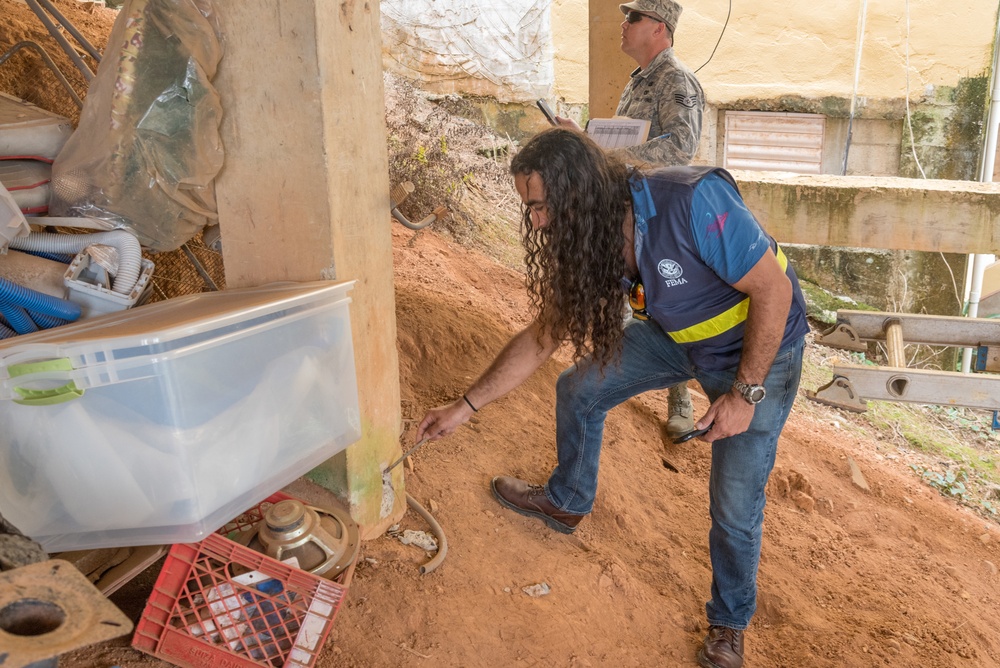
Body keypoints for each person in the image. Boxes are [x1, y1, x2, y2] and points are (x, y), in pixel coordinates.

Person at [416, 128, 808, 668]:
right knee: (579, 388)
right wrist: (465, 407)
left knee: (734, 503)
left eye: (538, 207)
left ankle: (729, 622)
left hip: (760, 353)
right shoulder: (592, 237)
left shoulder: (691, 201)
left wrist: (743, 396)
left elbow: (774, 290)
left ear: (576, 191)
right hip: (678, 336)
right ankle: (568, 500)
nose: (535, 222)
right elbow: (542, 336)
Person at [555, 0, 705, 439]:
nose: (623, 24)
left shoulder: (677, 80)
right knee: (624, 294)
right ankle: (604, 378)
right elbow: (629, 143)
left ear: (659, 28)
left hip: (661, 217)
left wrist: (602, 152)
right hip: (628, 211)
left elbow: (680, 148)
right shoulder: (638, 80)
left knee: (663, 301)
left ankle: (680, 396)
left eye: (633, 18)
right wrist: (584, 142)